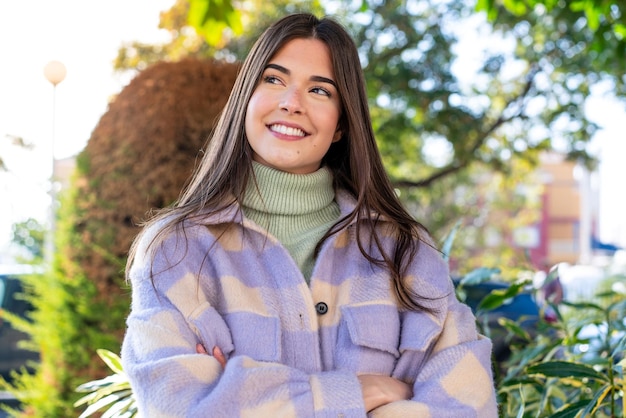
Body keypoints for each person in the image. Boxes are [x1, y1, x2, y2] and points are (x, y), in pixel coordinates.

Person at [120, 12, 498, 417]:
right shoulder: (175, 251)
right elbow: (176, 406)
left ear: (341, 124)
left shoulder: (405, 251)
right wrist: (359, 393)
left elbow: (467, 406)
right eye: (274, 79)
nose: (291, 103)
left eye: (320, 91)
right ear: (246, 98)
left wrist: (242, 398)